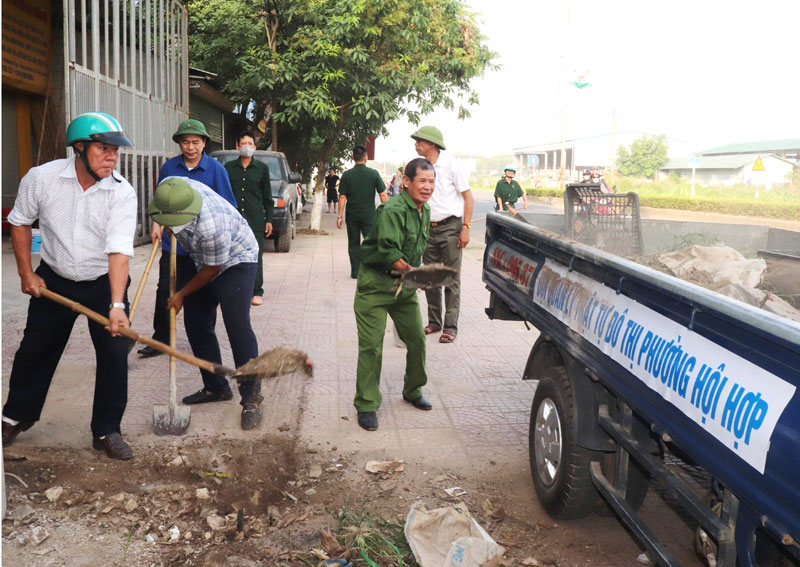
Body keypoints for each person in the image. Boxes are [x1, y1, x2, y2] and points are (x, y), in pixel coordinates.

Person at [2, 112, 137, 460]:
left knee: (114, 354)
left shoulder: (121, 193)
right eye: (104, 149)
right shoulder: (42, 179)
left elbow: (120, 252)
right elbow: (18, 222)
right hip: (55, 279)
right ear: (79, 148)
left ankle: (107, 430)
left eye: (115, 151)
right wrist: (25, 273)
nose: (112, 157)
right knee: (35, 349)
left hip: (103, 282)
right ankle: (15, 416)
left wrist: (117, 305)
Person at [149, 177, 264, 429]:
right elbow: (161, 207)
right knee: (196, 321)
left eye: (174, 224)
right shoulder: (171, 186)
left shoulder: (212, 227)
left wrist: (181, 294)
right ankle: (216, 387)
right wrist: (159, 222)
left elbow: (212, 269)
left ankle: (251, 397)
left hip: (235, 258)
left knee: (236, 323)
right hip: (202, 257)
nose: (171, 229)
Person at [137, 119, 236, 358]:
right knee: (165, 291)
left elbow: (228, 207)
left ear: (204, 144)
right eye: (185, 142)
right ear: (180, 144)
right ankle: (161, 339)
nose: (190, 147)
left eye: (195, 142)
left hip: (203, 248)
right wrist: (156, 223)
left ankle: (203, 338)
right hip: (174, 244)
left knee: (202, 296)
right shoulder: (170, 167)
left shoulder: (216, 170)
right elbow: (161, 200)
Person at [353, 158, 435, 431]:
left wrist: (419, 274)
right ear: (407, 182)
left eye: (431, 182)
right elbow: (390, 253)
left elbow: (415, 251)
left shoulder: (425, 211)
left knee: (417, 340)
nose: (427, 187)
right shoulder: (392, 210)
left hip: (404, 289)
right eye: (422, 181)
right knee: (371, 347)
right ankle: (366, 404)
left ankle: (412, 391)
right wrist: (416, 274)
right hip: (375, 287)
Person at [411, 125, 474, 344]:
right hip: (428, 228)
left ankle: (450, 326)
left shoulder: (451, 165)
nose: (416, 144)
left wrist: (465, 227)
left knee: (451, 278)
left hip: (450, 228)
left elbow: (468, 198)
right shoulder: (421, 167)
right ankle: (434, 322)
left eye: (419, 141)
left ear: (431, 144)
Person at [224, 130, 273, 306]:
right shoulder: (228, 168)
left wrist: (269, 220)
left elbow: (268, 198)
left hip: (256, 219)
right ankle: (234, 287)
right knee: (232, 254)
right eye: (243, 144)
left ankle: (256, 291)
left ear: (255, 147)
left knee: (256, 254)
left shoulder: (262, 169)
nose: (246, 147)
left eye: (250, 144)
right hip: (234, 220)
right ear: (237, 146)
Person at [336, 146, 388, 279]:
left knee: (353, 243)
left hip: (352, 215)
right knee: (371, 242)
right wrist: (387, 212)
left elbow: (342, 197)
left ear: (353, 158)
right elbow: (383, 195)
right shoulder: (374, 174)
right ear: (366, 158)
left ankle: (355, 272)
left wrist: (339, 216)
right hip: (369, 215)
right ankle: (372, 269)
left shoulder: (347, 175)